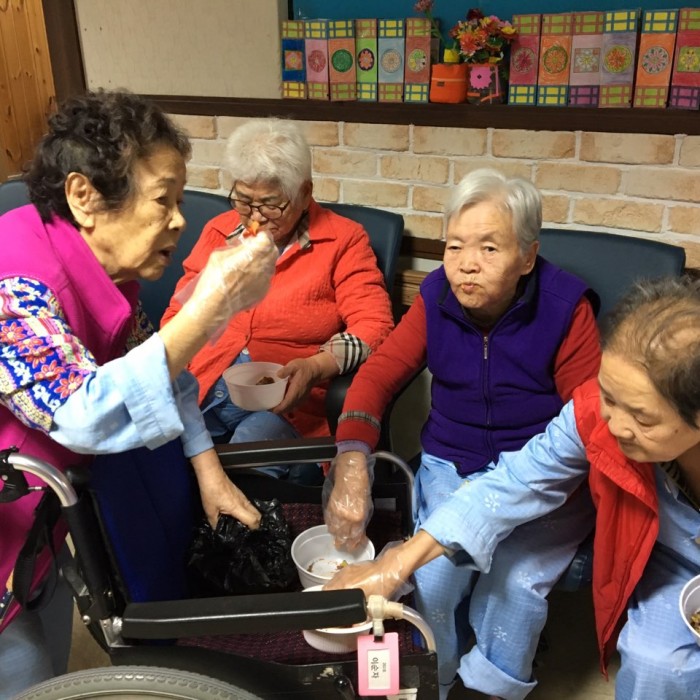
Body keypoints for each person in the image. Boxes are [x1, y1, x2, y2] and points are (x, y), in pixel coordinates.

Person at [0, 90, 277, 699]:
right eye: (164, 200)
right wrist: (212, 306)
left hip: (43, 525)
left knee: (47, 663)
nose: (181, 220)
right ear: (84, 196)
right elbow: (80, 412)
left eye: (181, 201)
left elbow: (165, 372)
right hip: (4, 534)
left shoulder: (108, 272)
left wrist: (208, 469)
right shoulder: (10, 280)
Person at [327, 274, 700, 700]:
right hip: (672, 565)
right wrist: (393, 565)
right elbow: (511, 483)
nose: (613, 424)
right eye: (608, 396)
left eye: (642, 418)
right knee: (657, 663)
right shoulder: (594, 416)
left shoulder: (560, 304)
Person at [323, 169, 602, 699]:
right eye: (454, 246)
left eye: (489, 247)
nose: (465, 264)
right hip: (453, 465)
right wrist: (352, 461)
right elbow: (378, 375)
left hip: (543, 483)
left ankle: (488, 693)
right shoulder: (436, 296)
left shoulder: (568, 309)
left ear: (527, 255)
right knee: (434, 581)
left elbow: (586, 432)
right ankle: (439, 681)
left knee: (516, 587)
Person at [161, 118, 394, 485]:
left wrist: (316, 367)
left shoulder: (343, 240)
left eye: (270, 204)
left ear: (304, 193)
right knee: (158, 458)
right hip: (204, 384)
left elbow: (374, 326)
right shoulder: (220, 231)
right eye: (243, 201)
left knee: (247, 464)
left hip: (286, 404)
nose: (255, 217)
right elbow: (178, 310)